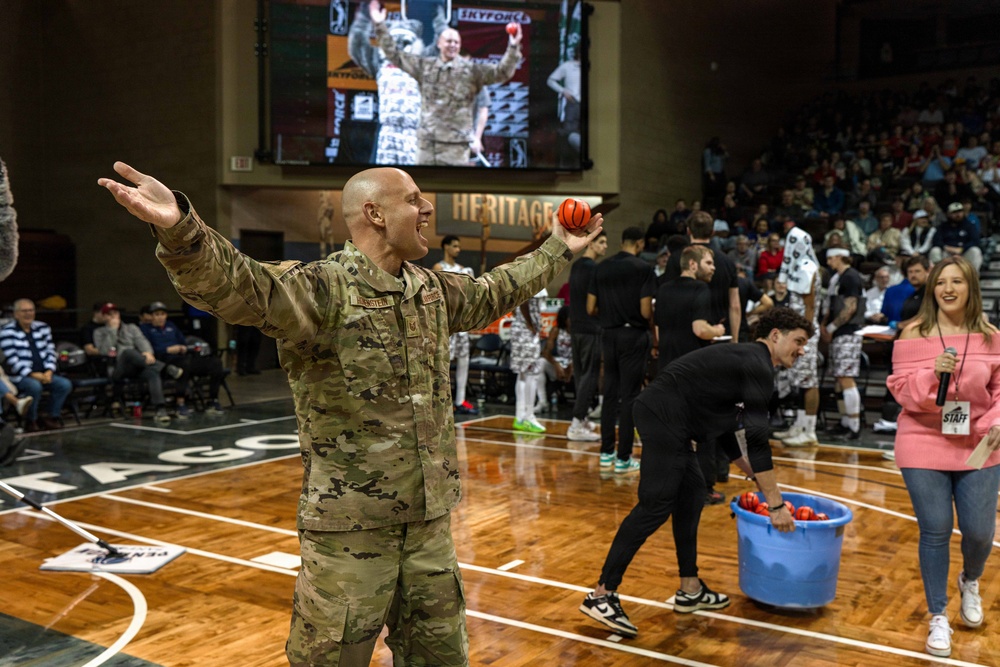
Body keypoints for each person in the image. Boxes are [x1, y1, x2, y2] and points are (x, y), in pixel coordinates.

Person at [98, 161, 602, 666]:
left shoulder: (430, 291)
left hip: (429, 529)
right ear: (374, 214)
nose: (427, 208)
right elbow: (241, 285)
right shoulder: (322, 289)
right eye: (413, 199)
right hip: (350, 535)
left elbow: (497, 289)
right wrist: (181, 229)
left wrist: (558, 246)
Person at [579, 307, 810, 638]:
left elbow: (728, 426)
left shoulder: (749, 361)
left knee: (691, 499)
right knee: (654, 506)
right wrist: (775, 505)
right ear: (776, 336)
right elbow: (758, 442)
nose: (802, 350)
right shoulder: (757, 365)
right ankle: (602, 595)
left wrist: (750, 471)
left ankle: (690, 588)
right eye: (798, 341)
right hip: (663, 417)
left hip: (673, 420)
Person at [887, 256, 1000, 658]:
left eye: (957, 281)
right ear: (932, 289)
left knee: (979, 532)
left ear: (971, 287)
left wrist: (995, 422)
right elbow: (900, 390)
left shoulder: (990, 335)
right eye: (940, 282)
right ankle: (937, 615)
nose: (948, 289)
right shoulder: (913, 332)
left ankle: (970, 579)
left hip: (979, 440)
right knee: (935, 529)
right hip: (922, 436)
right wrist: (933, 373)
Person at [372, 1, 522, 166]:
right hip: (427, 145)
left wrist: (513, 47)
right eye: (448, 41)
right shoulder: (424, 67)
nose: (452, 45)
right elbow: (395, 55)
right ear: (439, 43)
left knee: (451, 186)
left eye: (456, 42)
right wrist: (379, 25)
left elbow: (501, 72)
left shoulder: (471, 71)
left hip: (455, 148)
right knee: (421, 185)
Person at [587, 226, 656, 474]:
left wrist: (610, 314)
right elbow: (646, 311)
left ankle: (606, 454)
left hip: (609, 334)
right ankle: (623, 458)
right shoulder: (644, 269)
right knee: (629, 397)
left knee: (609, 395)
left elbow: (590, 308)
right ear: (639, 243)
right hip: (633, 336)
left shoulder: (601, 267)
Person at [775, 228, 823, 447]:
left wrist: (805, 335)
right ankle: (799, 426)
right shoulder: (800, 267)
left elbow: (809, 305)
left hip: (806, 332)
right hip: (798, 332)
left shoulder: (808, 268)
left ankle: (810, 429)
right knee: (798, 381)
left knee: (808, 381)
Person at [95, 303, 179, 424]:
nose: (114, 316)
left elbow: (143, 342)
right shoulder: (99, 332)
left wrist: (148, 352)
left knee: (152, 373)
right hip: (116, 368)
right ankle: (166, 368)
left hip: (137, 365)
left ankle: (160, 410)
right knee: (128, 352)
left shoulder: (131, 328)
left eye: (115, 313)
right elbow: (104, 351)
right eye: (109, 314)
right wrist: (112, 331)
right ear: (104, 317)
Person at [140, 301, 227, 417]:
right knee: (183, 364)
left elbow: (183, 342)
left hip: (182, 357)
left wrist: (183, 348)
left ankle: (213, 400)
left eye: (162, 314)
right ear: (151, 316)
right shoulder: (145, 329)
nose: (160, 317)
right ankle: (180, 404)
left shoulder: (171, 326)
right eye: (157, 314)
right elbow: (148, 349)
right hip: (165, 362)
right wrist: (167, 349)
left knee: (215, 362)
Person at [0, 299, 73, 432]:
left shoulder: (43, 328)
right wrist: (32, 374)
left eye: (31, 310)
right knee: (34, 386)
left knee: (64, 384)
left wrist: (50, 370)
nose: (28, 314)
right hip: (20, 375)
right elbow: (12, 359)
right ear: (16, 314)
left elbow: (50, 351)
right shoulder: (7, 332)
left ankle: (51, 417)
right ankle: (31, 420)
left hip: (44, 373)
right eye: (24, 311)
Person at [820, 248, 866, 439]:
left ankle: (854, 426)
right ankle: (845, 421)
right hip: (840, 333)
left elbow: (850, 308)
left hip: (848, 333)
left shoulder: (850, 277)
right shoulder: (838, 278)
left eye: (831, 258)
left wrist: (829, 328)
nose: (829, 262)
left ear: (839, 257)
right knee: (839, 379)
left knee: (846, 378)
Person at [654, 245, 724, 369]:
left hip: (665, 366)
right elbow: (700, 329)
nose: (713, 268)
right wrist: (717, 331)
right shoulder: (700, 288)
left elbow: (657, 332)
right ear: (692, 264)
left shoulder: (663, 289)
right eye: (708, 263)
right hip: (691, 366)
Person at [567, 231, 606, 441]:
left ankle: (579, 420)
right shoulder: (594, 269)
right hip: (590, 327)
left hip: (576, 328)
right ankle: (576, 423)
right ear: (590, 244)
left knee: (582, 376)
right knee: (589, 376)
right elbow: (595, 303)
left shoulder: (576, 265)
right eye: (601, 242)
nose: (605, 246)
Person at [433, 236, 478, 415]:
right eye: (455, 246)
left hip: (462, 322)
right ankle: (444, 399)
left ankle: (460, 399)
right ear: (445, 247)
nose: (458, 249)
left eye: (460, 246)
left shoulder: (465, 270)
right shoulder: (438, 268)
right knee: (445, 363)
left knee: (464, 361)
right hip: (446, 322)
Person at [509, 289, 547, 433]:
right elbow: (524, 300)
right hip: (526, 332)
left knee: (523, 374)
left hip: (519, 329)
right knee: (532, 373)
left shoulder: (522, 277)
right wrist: (530, 324)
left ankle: (520, 417)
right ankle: (528, 416)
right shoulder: (533, 277)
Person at [546, 47, 581, 167]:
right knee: (569, 134)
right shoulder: (568, 66)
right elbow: (550, 80)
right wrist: (563, 91)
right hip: (573, 104)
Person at [540, 306, 576, 420]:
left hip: (575, 364)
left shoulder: (579, 331)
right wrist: (556, 365)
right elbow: (545, 352)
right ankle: (542, 401)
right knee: (540, 363)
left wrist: (572, 366)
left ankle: (585, 405)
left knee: (584, 366)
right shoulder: (556, 330)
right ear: (564, 319)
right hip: (559, 363)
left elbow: (582, 353)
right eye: (570, 318)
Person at [930, 202, 982, 271]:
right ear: (948, 214)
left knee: (975, 251)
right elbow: (936, 240)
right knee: (935, 250)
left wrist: (962, 249)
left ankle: (972, 277)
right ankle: (937, 276)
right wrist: (947, 247)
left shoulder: (969, 225)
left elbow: (976, 241)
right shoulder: (943, 226)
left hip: (964, 253)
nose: (958, 214)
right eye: (954, 212)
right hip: (947, 253)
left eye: (960, 212)